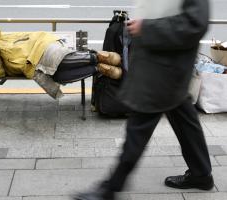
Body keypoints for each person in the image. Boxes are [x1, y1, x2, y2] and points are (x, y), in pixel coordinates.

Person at [73, 0, 213, 199]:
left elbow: (194, 24)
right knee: (184, 118)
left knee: (138, 126)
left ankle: (110, 188)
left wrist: (145, 27)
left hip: (164, 68)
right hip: (164, 66)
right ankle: (201, 174)